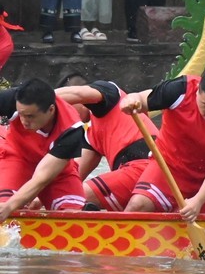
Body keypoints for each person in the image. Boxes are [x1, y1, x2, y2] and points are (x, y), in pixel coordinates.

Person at [120, 67, 205, 218]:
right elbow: (141, 99)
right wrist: (131, 100)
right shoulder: (179, 90)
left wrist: (198, 200)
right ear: (197, 91)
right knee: (138, 205)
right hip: (168, 168)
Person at [54, 77, 154, 211]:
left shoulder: (110, 93)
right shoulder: (89, 134)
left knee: (69, 199)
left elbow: (79, 93)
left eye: (63, 108)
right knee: (64, 198)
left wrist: (26, 99)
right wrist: (37, 195)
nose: (64, 117)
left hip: (147, 166)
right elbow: (73, 176)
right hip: (135, 175)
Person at [0, 78, 86, 220]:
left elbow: (41, 179)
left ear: (51, 110)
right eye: (20, 114)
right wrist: (7, 206)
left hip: (55, 172)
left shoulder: (72, 130)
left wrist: (10, 206)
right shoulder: (10, 99)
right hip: (16, 159)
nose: (24, 121)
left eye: (30, 116)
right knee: (4, 209)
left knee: (73, 218)